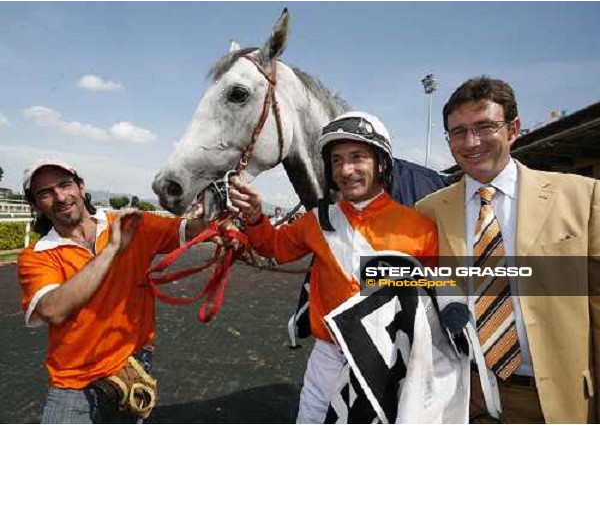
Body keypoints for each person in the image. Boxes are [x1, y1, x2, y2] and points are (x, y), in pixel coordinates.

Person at [229, 112, 466, 423]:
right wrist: (254, 218)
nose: (346, 169)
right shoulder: (316, 220)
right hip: (327, 358)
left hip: (393, 361)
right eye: (337, 160)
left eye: (358, 157)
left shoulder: (420, 228)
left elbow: (439, 296)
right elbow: (274, 247)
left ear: (381, 163)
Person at [415, 76, 600, 423]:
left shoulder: (584, 197)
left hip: (554, 402)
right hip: (463, 396)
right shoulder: (429, 210)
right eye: (458, 132)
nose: (471, 142)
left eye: (485, 126)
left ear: (513, 129)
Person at [18, 159, 210, 423]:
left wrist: (210, 203)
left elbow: (194, 230)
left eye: (65, 185)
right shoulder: (36, 256)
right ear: (35, 204)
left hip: (130, 366)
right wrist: (112, 250)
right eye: (45, 193)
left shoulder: (133, 224)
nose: (60, 196)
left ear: (81, 187)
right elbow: (53, 309)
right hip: (73, 381)